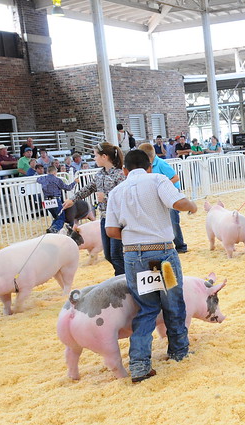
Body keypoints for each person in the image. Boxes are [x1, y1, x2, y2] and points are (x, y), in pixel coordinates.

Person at [105, 150, 197, 383]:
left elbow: (111, 231)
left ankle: (139, 364)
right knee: (172, 302)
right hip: (162, 254)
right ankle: (179, 351)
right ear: (149, 167)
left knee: (146, 307)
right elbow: (178, 203)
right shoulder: (157, 179)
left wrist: (135, 233)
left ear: (124, 170)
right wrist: (193, 206)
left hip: (134, 257)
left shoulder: (116, 191)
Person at [63, 142, 126, 276]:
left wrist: (106, 198)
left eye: (95, 155)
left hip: (118, 218)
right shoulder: (99, 175)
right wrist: (72, 200)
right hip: (104, 217)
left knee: (117, 255)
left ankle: (123, 281)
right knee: (109, 255)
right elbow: (89, 188)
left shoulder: (120, 174)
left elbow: (125, 196)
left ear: (104, 156)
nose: (94, 158)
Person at [137, 143, 189, 253]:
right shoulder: (144, 167)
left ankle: (181, 246)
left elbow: (175, 177)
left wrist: (163, 186)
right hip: (157, 196)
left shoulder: (161, 164)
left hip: (171, 195)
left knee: (173, 221)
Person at [37, 165, 78, 233]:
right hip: (55, 200)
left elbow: (38, 179)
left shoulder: (42, 178)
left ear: (47, 171)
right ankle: (53, 230)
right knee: (61, 218)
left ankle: (51, 229)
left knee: (56, 217)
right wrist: (75, 182)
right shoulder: (57, 180)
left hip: (46, 201)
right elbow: (68, 188)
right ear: (55, 172)